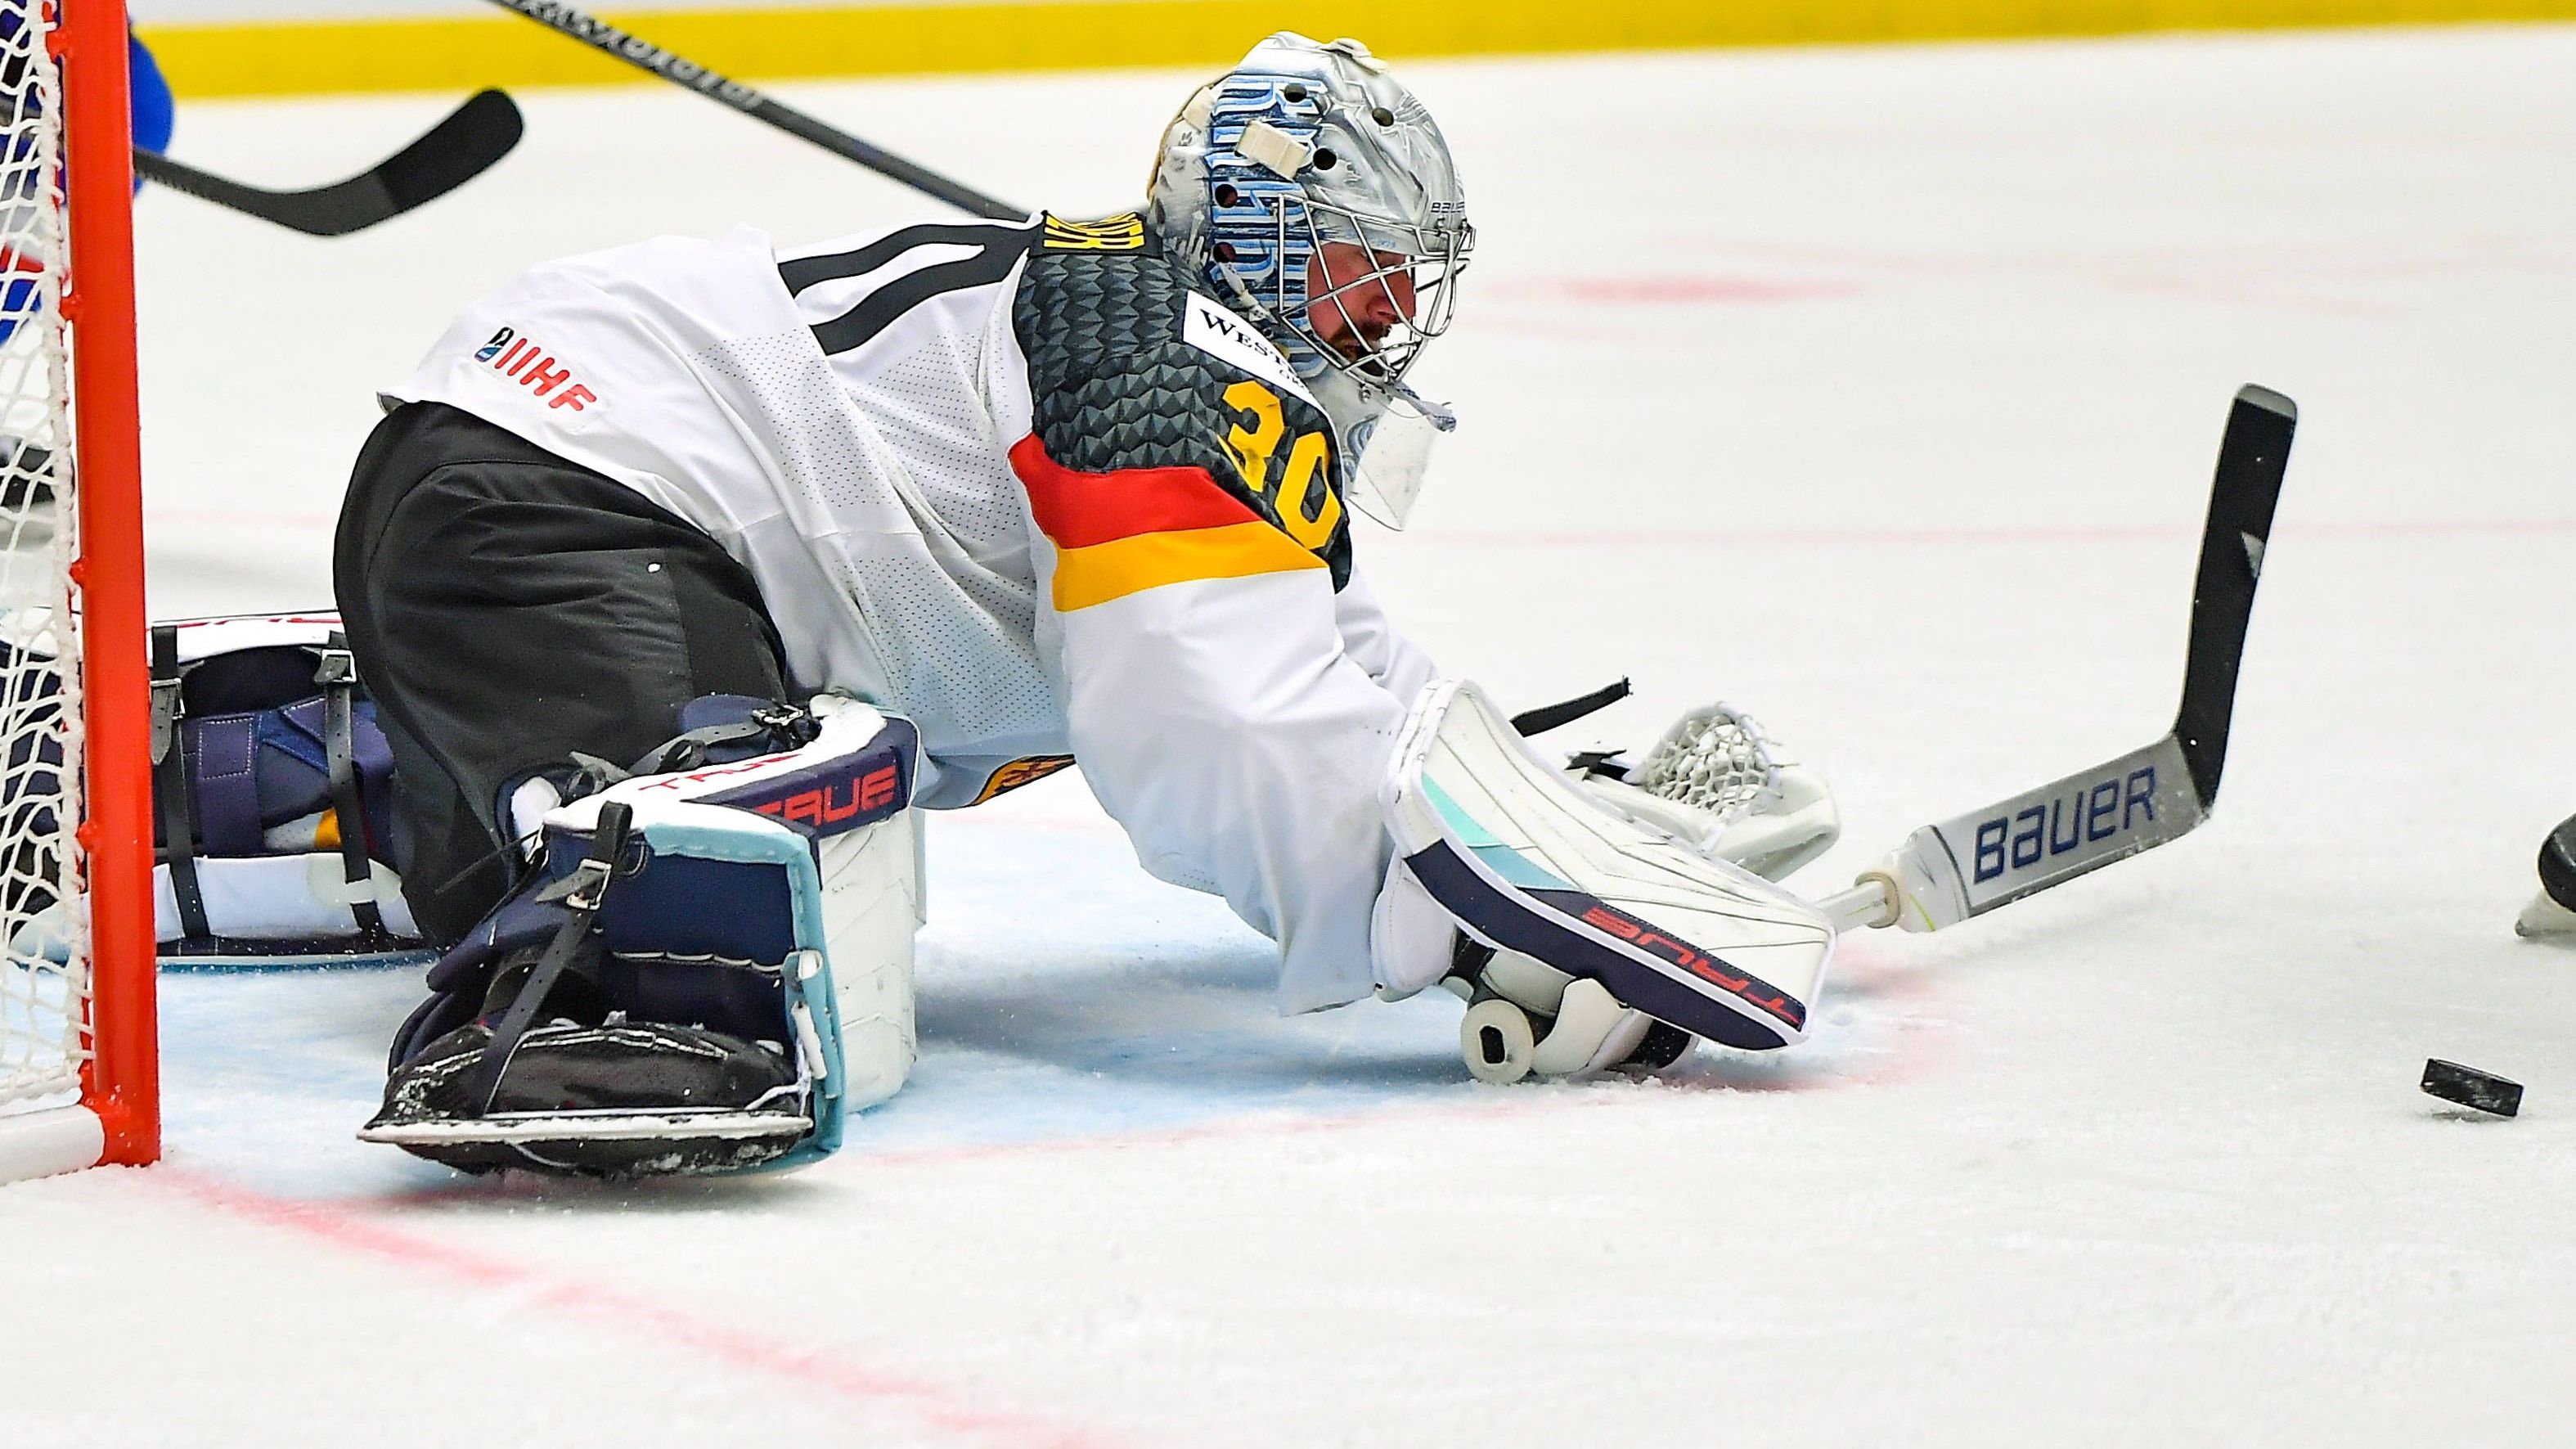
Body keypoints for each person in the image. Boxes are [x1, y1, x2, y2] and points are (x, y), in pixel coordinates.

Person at [338, 32, 1842, 1177]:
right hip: (566, 500)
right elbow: (1205, 722)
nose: (1376, 321)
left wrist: (1518, 829)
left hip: (543, 494)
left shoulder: (1171, 350)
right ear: (1254, 244)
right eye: (1350, 277)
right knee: (681, 969)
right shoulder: (1167, 368)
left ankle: (361, 751)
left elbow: (1327, 663)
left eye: (1394, 286)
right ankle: (415, 791)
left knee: (769, 858)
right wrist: (1461, 940)